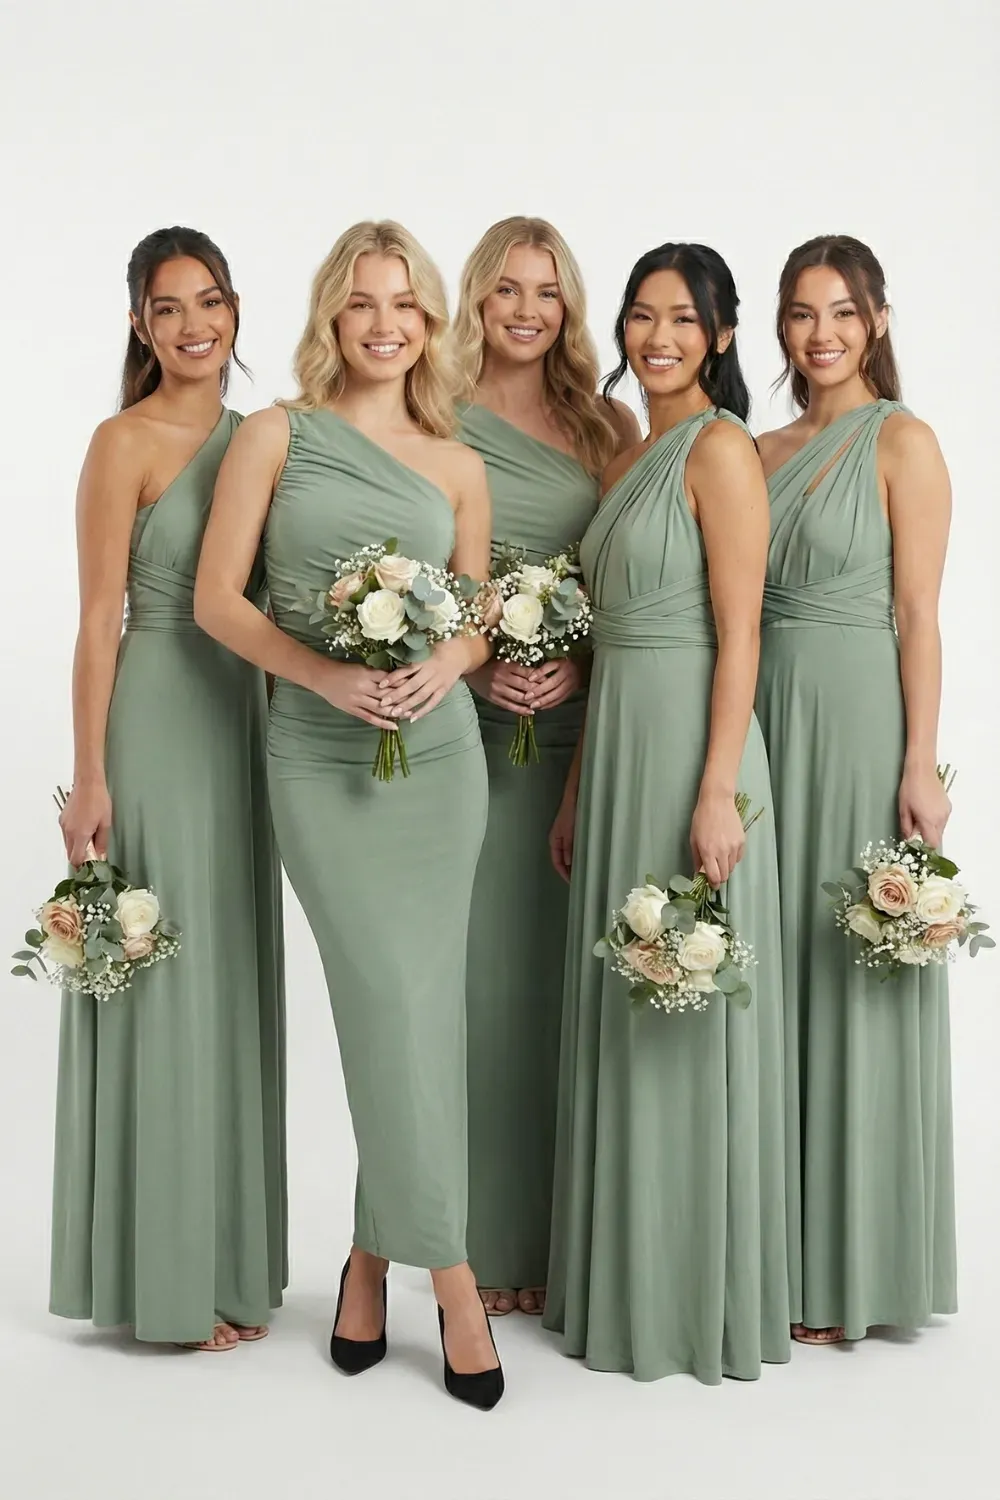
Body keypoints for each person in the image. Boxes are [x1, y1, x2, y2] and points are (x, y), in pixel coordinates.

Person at [194, 220, 504, 1409]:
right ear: (331, 319)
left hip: (437, 765)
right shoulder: (278, 435)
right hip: (318, 758)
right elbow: (219, 601)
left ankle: (372, 1258)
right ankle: (456, 1277)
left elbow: (473, 616)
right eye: (364, 305)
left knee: (422, 1013)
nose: (386, 325)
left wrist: (455, 661)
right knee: (384, 1000)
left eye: (407, 307)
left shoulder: (457, 459)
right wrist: (321, 673)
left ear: (431, 323)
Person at [544, 242, 789, 1383]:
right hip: (621, 746)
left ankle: (692, 1296)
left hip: (695, 746)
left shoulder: (719, 449)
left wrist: (715, 788)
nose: (656, 338)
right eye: (640, 317)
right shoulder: (627, 453)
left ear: (722, 337)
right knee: (628, 1001)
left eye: (682, 320)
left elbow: (741, 630)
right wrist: (580, 787)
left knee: (687, 1000)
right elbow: (602, 644)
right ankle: (617, 1279)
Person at [52, 227, 286, 1352]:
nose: (195, 326)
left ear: (236, 311)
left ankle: (229, 1261)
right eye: (169, 308)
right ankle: (163, 1277)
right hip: (154, 727)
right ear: (140, 326)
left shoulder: (264, 436)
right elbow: (101, 619)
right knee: (159, 983)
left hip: (243, 724)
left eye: (212, 302)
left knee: (228, 976)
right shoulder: (125, 441)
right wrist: (91, 774)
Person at [755, 234, 956, 1345]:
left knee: (847, 967)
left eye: (839, 312)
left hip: (853, 716)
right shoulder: (758, 445)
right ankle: (770, 1249)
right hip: (757, 722)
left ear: (874, 319)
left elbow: (918, 615)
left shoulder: (902, 442)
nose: (819, 334)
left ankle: (854, 1267)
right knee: (769, 964)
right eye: (799, 313)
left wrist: (918, 761)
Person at [453, 215, 641, 1318]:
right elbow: (414, 568)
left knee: (561, 994)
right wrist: (473, 671)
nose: (527, 310)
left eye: (550, 292)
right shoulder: (431, 413)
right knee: (475, 993)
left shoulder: (602, 422)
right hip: (458, 737)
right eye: (507, 289)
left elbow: (634, 577)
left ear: (569, 310)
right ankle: (468, 1245)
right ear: (475, 298)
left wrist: (577, 662)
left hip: (576, 740)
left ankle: (559, 1246)